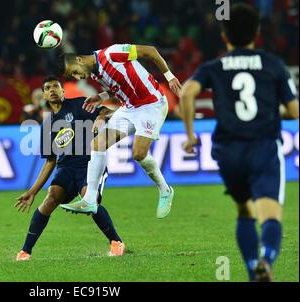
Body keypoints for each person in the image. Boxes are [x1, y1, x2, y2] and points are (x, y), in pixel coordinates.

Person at [179, 4, 298, 282]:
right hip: (264, 147)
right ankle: (266, 260)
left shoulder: (215, 66)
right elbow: (294, 111)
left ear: (224, 35)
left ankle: (251, 267)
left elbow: (186, 94)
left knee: (244, 210)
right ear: (257, 32)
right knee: (270, 214)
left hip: (229, 152)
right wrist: (271, 110)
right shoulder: (273, 64)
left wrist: (190, 135)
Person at [58, 43, 182, 217]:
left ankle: (165, 190)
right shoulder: (95, 73)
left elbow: (150, 51)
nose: (78, 77)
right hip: (129, 108)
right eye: (73, 76)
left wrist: (169, 76)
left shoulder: (112, 53)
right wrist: (101, 96)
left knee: (138, 154)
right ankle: (90, 200)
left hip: (151, 104)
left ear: (79, 60)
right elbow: (117, 85)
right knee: (97, 144)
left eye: (75, 72)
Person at [14, 76, 125, 260]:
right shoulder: (47, 125)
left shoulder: (80, 104)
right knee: (50, 199)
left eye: (56, 86)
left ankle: (116, 242)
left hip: (89, 164)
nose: (52, 90)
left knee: (90, 201)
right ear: (44, 95)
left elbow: (110, 110)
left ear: (63, 91)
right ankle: (25, 251)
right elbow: (50, 161)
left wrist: (99, 116)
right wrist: (33, 191)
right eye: (48, 87)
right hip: (65, 168)